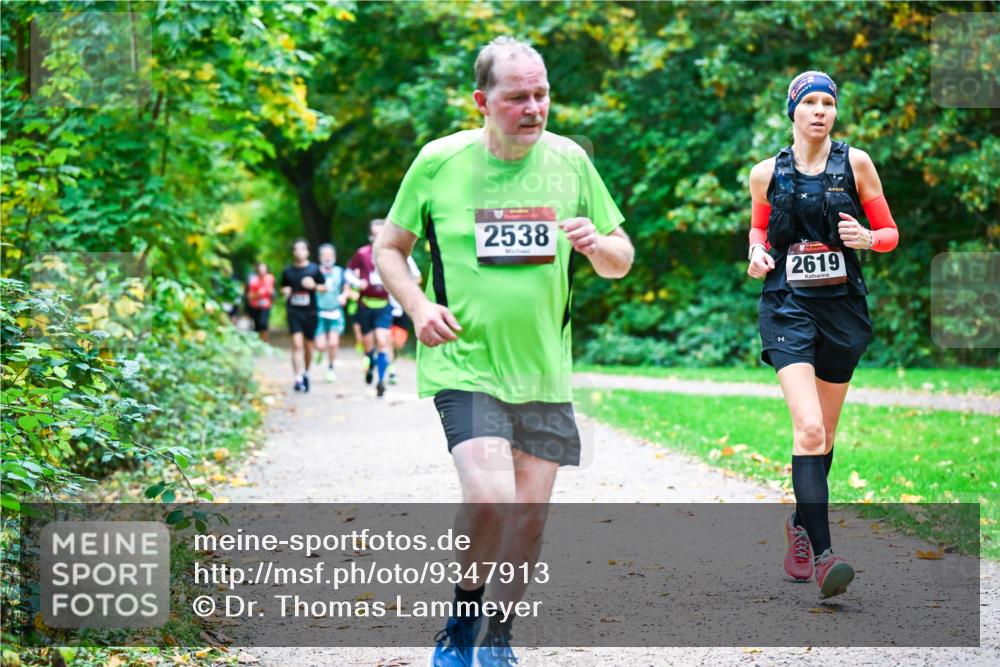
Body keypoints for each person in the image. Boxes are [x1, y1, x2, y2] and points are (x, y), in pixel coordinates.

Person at [376, 36, 634, 667]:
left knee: (529, 519)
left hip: (544, 370)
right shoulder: (439, 161)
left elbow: (621, 261)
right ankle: (460, 625)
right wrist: (418, 307)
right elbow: (391, 248)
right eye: (517, 96)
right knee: (490, 499)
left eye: (542, 94)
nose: (534, 107)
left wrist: (596, 243)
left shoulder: (570, 161)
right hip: (464, 363)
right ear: (481, 101)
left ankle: (499, 636)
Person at [746, 71, 899, 599]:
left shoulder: (856, 164)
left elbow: (890, 233)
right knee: (808, 431)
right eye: (808, 102)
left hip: (841, 309)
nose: (819, 111)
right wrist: (756, 252)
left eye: (827, 103)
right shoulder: (765, 172)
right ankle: (825, 557)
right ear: (792, 110)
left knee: (826, 437)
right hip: (786, 307)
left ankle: (800, 525)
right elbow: (758, 229)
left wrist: (868, 237)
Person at [347, 219, 395, 398]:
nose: (377, 237)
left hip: (384, 305)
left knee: (382, 341)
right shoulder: (362, 253)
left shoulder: (392, 254)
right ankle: (371, 365)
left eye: (381, 234)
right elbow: (348, 272)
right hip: (365, 305)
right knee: (368, 346)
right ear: (370, 235)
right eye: (375, 234)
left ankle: (381, 381)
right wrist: (358, 282)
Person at [280, 238, 326, 393]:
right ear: (293, 252)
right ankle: (298, 377)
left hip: (310, 312)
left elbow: (324, 287)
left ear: (307, 251)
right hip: (294, 312)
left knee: (308, 346)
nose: (299, 252)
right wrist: (285, 292)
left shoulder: (314, 269)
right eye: (296, 249)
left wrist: (314, 286)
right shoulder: (287, 271)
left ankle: (306, 372)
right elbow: (284, 287)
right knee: (296, 344)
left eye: (302, 249)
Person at [313, 243, 349, 382]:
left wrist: (344, 296)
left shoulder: (340, 271)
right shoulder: (315, 271)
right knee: (321, 345)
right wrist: (318, 287)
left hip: (335, 311)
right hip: (319, 312)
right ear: (320, 257)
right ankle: (320, 352)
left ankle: (330, 367)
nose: (327, 258)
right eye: (324, 255)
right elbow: (309, 286)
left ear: (334, 257)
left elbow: (346, 288)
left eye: (330, 255)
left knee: (333, 343)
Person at [387, 255, 422, 384]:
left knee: (398, 342)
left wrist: (405, 286)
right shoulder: (379, 257)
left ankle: (391, 357)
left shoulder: (407, 258)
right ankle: (391, 369)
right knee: (386, 339)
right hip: (385, 306)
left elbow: (418, 278)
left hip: (402, 305)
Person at [246, 262, 275, 342]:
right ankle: (259, 343)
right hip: (255, 306)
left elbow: (272, 292)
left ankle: (265, 342)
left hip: (266, 306)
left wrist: (271, 293)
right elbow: (249, 296)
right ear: (257, 270)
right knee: (257, 326)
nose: (262, 271)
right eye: (260, 269)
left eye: (264, 269)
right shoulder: (253, 280)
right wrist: (258, 294)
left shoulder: (270, 278)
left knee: (264, 324)